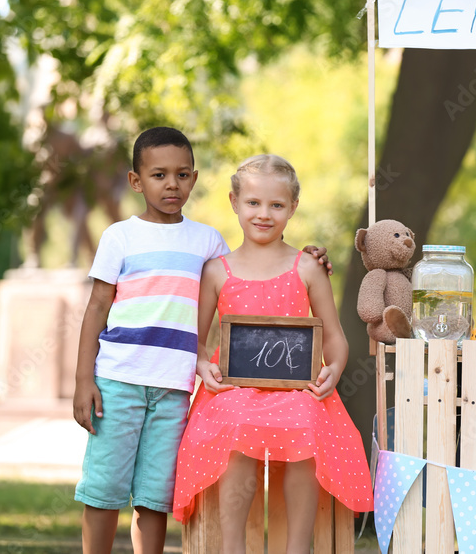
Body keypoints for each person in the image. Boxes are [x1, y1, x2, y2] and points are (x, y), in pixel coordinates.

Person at [73, 129, 330, 554]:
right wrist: (85, 379)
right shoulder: (120, 236)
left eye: (181, 174)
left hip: (176, 387)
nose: (171, 184)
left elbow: (252, 273)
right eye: (158, 174)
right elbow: (97, 309)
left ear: (193, 179)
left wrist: (310, 257)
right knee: (104, 489)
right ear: (136, 181)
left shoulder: (207, 241)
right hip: (118, 381)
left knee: (154, 496)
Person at [173, 154, 373, 554]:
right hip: (233, 388)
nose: (264, 214)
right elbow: (194, 339)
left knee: (307, 422)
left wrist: (334, 368)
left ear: (292, 208)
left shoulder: (307, 268)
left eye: (276, 205)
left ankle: (296, 548)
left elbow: (333, 335)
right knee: (236, 422)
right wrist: (200, 364)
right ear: (234, 202)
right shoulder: (217, 271)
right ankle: (233, 547)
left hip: (296, 388)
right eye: (253, 203)